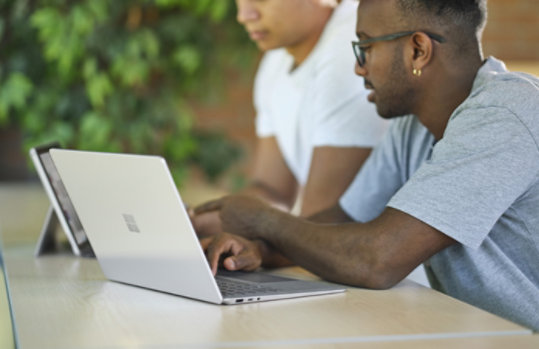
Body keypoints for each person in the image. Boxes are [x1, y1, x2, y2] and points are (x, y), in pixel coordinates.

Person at [194, 0, 539, 331]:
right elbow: (342, 218)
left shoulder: (505, 115)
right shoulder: (413, 125)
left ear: (418, 50)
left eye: (366, 47)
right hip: (477, 334)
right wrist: (261, 249)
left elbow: (377, 260)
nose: (359, 68)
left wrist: (263, 220)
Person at [192, 0, 388, 236]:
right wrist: (192, 221)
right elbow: (272, 192)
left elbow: (321, 228)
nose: (244, 15)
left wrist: (255, 250)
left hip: (390, 267)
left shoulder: (351, 46)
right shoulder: (277, 60)